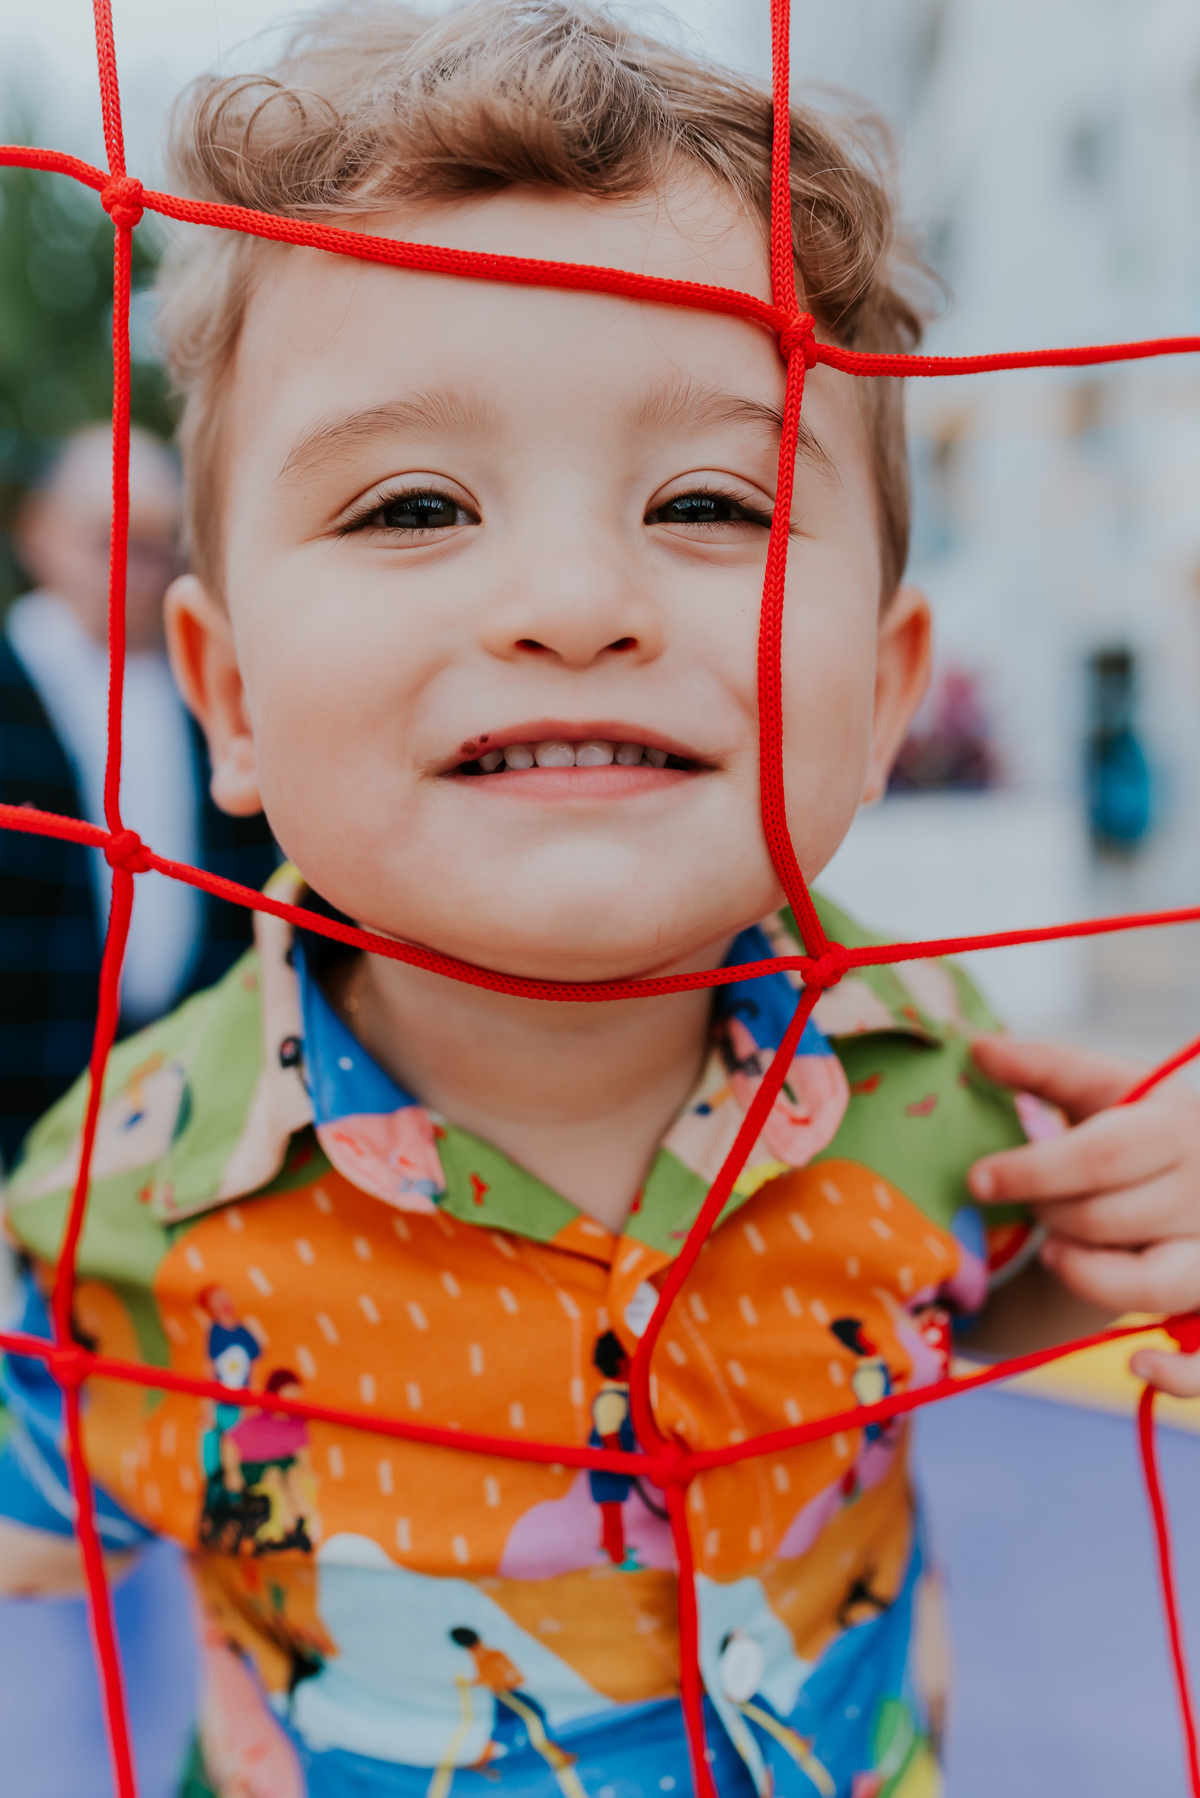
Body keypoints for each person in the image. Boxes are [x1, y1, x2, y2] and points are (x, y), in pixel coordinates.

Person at [1, 5, 1199, 1794]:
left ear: (880, 698)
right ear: (228, 694)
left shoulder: (950, 1087)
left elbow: (982, 1297)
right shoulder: (118, 1198)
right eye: (414, 504)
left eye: (708, 499)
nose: (573, 599)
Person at [0, 424, 277, 1166]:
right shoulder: (12, 681)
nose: (135, 566)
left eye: (157, 544)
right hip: (23, 1094)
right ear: (39, 537)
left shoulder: (213, 696)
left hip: (181, 1092)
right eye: (108, 539)